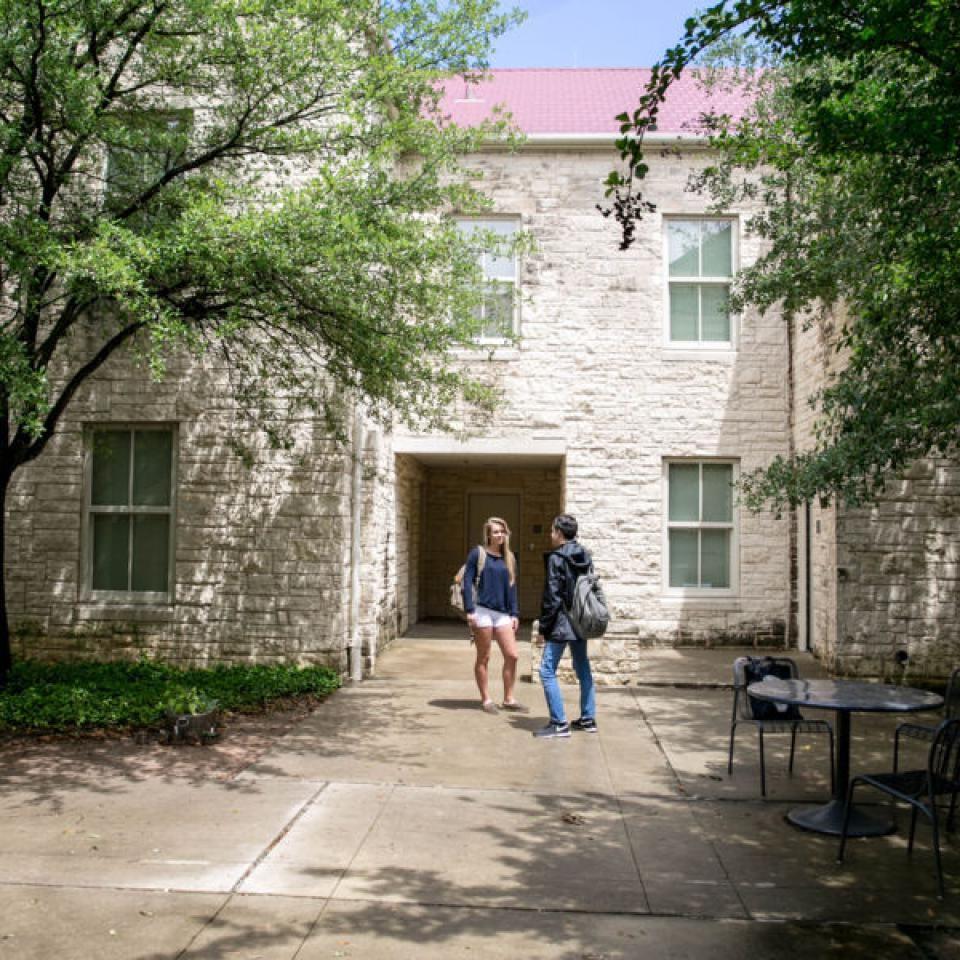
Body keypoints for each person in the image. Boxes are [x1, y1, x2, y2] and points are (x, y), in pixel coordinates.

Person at [534, 513, 597, 739]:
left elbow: (552, 596)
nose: (551, 535)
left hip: (561, 622)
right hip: (581, 620)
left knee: (546, 670)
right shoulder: (585, 555)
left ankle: (559, 723)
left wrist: (543, 627)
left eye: (552, 531)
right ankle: (588, 719)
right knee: (583, 668)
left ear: (559, 533)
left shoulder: (557, 558)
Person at [462, 517, 528, 714]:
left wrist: (515, 613)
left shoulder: (509, 558)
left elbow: (512, 588)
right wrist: (469, 610)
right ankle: (486, 699)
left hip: (502, 614)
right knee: (484, 657)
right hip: (481, 611)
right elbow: (467, 581)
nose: (499, 535)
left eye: (503, 531)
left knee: (513, 655)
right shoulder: (478, 554)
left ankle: (508, 699)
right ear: (488, 534)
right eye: (496, 532)